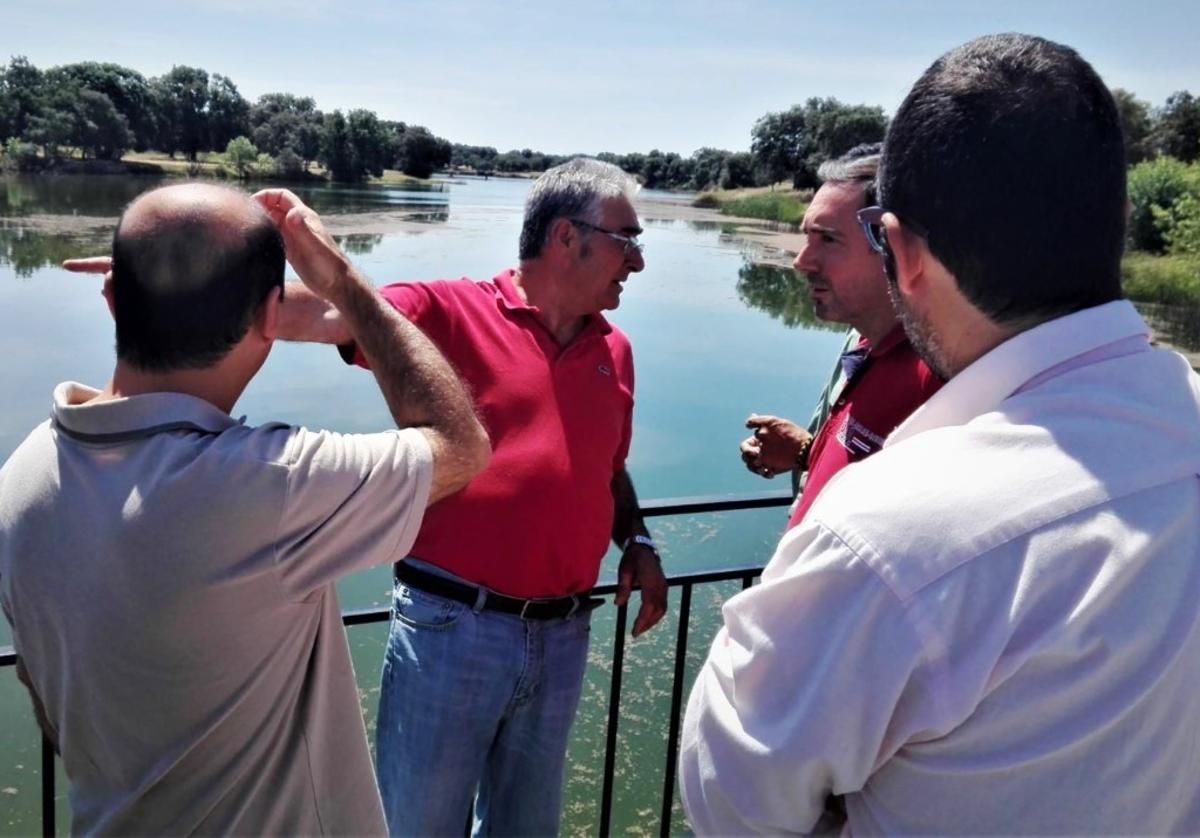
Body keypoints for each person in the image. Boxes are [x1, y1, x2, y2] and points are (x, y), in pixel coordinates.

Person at [681, 33, 1200, 834]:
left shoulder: (887, 541)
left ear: (900, 251)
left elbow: (731, 802)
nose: (801, 260)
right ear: (1118, 219)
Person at [0, 183, 490, 835]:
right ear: (269, 318)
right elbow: (460, 445)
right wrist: (341, 281)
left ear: (112, 299)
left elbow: (49, 702)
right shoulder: (271, 486)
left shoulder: (23, 476)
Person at [277, 157, 668, 836]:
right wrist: (180, 295)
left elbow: (607, 466)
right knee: (419, 826)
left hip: (565, 634)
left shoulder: (618, 349)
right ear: (566, 238)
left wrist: (636, 539)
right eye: (627, 240)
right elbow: (333, 315)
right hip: (453, 629)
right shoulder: (448, 310)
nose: (636, 262)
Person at [738, 145, 941, 526]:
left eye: (827, 240)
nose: (801, 261)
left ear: (892, 244)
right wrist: (805, 453)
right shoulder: (867, 344)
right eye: (807, 237)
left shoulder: (938, 381)